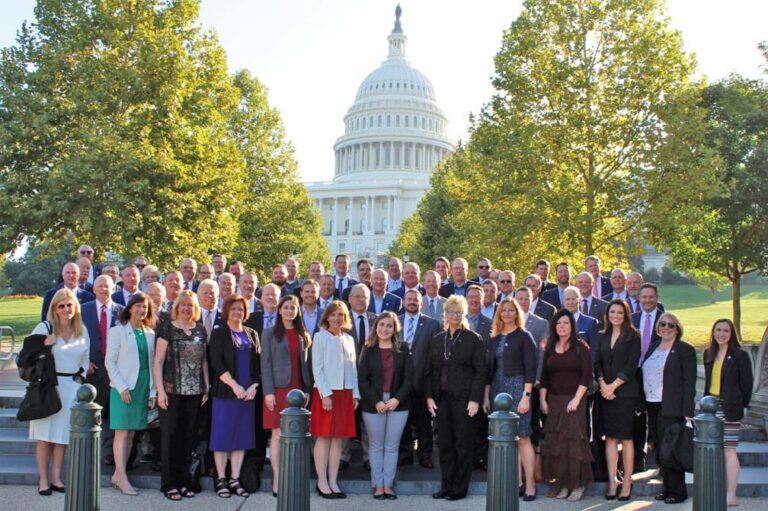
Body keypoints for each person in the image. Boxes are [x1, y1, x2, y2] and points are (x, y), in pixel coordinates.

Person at [425, 296, 486, 501]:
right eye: (451, 311)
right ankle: (446, 485)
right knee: (445, 444)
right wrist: (429, 397)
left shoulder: (473, 339)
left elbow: (481, 372)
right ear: (445, 314)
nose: (455, 315)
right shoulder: (438, 339)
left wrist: (475, 399)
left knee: (462, 444)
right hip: (441, 399)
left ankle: (460, 488)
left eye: (459, 311)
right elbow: (430, 371)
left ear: (464, 314)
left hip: (464, 400)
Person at [29, 289, 90, 496]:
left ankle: (56, 478)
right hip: (47, 387)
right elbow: (26, 355)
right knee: (44, 437)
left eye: (69, 305)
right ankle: (43, 480)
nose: (66, 309)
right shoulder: (44, 327)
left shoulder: (81, 329)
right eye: (61, 306)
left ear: (75, 307)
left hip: (71, 387)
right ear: (54, 308)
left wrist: (79, 381)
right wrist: (44, 344)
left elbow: (85, 358)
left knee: (62, 436)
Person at [153, 290, 209, 501]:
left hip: (195, 393)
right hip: (171, 392)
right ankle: (169, 484)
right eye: (183, 305)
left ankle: (185, 481)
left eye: (190, 305)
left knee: (189, 438)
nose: (186, 308)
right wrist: (160, 391)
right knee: (170, 438)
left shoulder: (200, 329)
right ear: (177, 307)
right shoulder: (168, 328)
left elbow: (204, 360)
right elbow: (158, 361)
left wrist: (207, 386)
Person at [208, 294, 261, 499]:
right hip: (226, 392)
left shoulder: (252, 334)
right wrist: (235, 386)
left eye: (241, 309)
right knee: (221, 437)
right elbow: (216, 363)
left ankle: (235, 478)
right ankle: (221, 478)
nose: (237, 312)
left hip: (247, 395)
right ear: (227, 311)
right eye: (233, 309)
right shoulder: (219, 333)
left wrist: (254, 386)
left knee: (241, 437)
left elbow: (258, 365)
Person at [484, 298, 537, 501]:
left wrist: (526, 397)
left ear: (517, 313)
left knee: (522, 437)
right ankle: (517, 482)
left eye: (510, 310)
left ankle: (530, 485)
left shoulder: (524, 336)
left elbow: (531, 369)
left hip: (518, 390)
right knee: (507, 438)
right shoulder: (494, 338)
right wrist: (486, 396)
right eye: (503, 310)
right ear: (499, 314)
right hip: (498, 391)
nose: (507, 313)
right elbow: (489, 370)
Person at [640, 312, 696, 504]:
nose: (666, 328)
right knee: (658, 448)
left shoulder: (684, 350)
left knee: (671, 450)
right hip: (652, 405)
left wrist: (688, 410)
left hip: (671, 407)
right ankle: (667, 488)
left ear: (677, 329)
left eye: (671, 325)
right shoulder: (654, 347)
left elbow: (689, 382)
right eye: (662, 324)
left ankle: (678, 492)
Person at [261, 295, 313, 497]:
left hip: (298, 391)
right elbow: (265, 364)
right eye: (286, 307)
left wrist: (307, 389)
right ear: (280, 309)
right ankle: (278, 479)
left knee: (295, 435)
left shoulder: (303, 333)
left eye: (293, 308)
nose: (290, 311)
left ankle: (292, 476)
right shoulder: (269, 333)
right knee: (277, 435)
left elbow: (306, 366)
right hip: (277, 390)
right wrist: (268, 392)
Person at [105, 293, 157, 496]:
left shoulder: (149, 333)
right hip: (123, 389)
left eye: (145, 307)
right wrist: (122, 388)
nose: (141, 310)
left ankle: (119, 474)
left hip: (143, 387)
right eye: (138, 306)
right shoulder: (118, 331)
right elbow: (110, 362)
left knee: (133, 433)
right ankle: (121, 476)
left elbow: (151, 365)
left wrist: (152, 392)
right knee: (122, 432)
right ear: (130, 308)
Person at [358, 312, 414, 499]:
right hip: (373, 404)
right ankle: (378, 485)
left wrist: (397, 399)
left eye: (389, 325)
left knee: (391, 446)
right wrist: (376, 401)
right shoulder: (368, 348)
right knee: (376, 445)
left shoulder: (403, 348)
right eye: (381, 325)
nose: (384, 329)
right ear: (376, 327)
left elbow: (409, 378)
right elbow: (363, 380)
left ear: (395, 329)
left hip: (398, 403)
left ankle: (388, 485)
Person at [539, 309, 593, 501]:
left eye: (566, 323)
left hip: (574, 401)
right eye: (558, 323)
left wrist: (576, 399)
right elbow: (544, 376)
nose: (562, 326)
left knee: (574, 444)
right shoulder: (550, 347)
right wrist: (543, 400)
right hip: (554, 401)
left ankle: (577, 485)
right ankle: (563, 484)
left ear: (572, 326)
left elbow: (586, 375)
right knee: (557, 445)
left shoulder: (581, 347)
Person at [311, 301, 360, 498]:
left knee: (338, 439)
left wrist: (355, 394)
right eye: (333, 314)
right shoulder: (320, 337)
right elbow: (317, 368)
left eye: (341, 315)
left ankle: (333, 481)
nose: (337, 318)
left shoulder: (348, 339)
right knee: (324, 437)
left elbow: (352, 368)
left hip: (345, 393)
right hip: (327, 393)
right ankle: (322, 482)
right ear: (327, 317)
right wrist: (325, 394)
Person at [703, 318, 754, 507]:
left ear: (731, 334)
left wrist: (744, 406)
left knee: (729, 450)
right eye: (718, 330)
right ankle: (716, 490)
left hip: (730, 407)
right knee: (713, 450)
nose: (721, 334)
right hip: (711, 407)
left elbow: (747, 383)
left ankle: (731, 495)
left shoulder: (739, 355)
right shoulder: (709, 353)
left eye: (726, 331)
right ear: (713, 332)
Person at [594, 299, 641, 501]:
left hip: (625, 393)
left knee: (626, 438)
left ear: (626, 314)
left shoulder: (633, 336)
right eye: (612, 312)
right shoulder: (602, 335)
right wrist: (603, 384)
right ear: (607, 314)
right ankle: (613, 481)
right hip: (605, 394)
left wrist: (613, 386)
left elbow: (631, 365)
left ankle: (627, 481)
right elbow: (597, 363)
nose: (615, 315)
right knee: (611, 438)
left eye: (620, 312)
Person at [398, 289, 441, 468]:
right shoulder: (395, 321)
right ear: (403, 302)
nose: (412, 302)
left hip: (423, 380)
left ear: (421, 303)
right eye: (408, 299)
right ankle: (405, 454)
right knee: (403, 420)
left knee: (424, 422)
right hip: (400, 381)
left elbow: (435, 353)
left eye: (415, 300)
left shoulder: (432, 324)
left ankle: (425, 456)